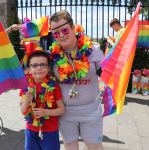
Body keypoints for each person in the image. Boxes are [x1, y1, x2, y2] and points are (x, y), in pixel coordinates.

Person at [49, 10, 104, 150]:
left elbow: (107, 75)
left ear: (73, 28)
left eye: (65, 30)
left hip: (91, 110)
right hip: (65, 113)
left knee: (94, 146)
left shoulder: (94, 50)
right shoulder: (51, 58)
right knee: (70, 146)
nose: (61, 35)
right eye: (55, 33)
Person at [19, 50, 64, 150]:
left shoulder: (54, 86)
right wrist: (26, 101)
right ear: (29, 69)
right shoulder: (25, 86)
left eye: (43, 65)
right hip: (31, 130)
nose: (39, 68)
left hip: (50, 131)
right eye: (34, 65)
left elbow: (61, 109)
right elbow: (23, 111)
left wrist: (46, 112)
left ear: (48, 68)